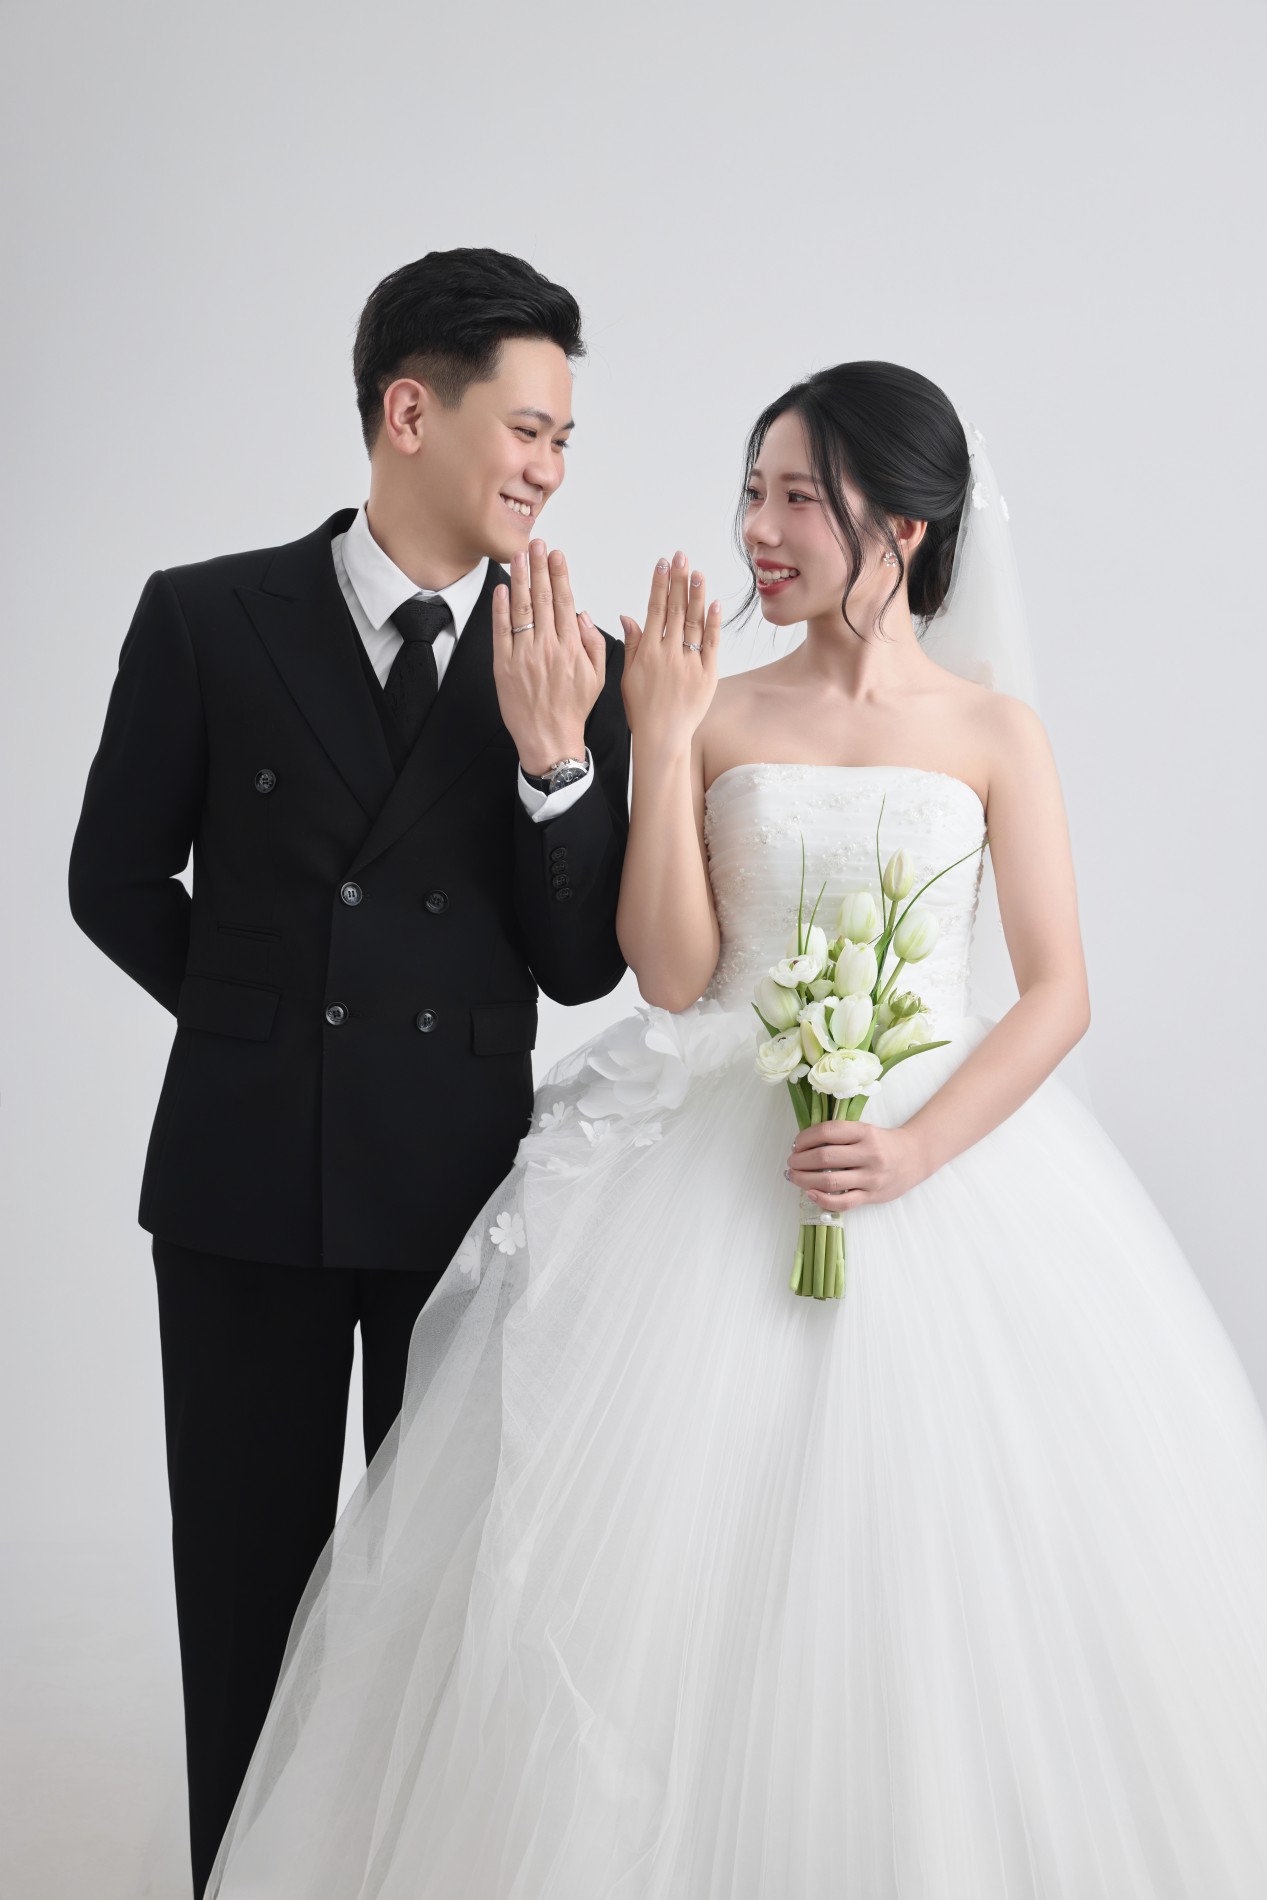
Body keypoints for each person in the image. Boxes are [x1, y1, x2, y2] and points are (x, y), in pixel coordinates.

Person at [205, 362, 1267, 1898]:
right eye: (752, 492)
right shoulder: (718, 708)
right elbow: (673, 973)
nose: (757, 530)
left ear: (905, 528)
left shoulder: (994, 732)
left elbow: (1057, 995)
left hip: (935, 1171)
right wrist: (668, 731)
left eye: (798, 499)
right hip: (715, 1165)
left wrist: (913, 1150)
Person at [67, 246, 631, 1900]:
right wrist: (264, 1026)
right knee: (244, 1595)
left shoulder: (570, 654)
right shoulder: (207, 615)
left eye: (564, 440)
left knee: (446, 1601)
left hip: (462, 1193)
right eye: (527, 428)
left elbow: (582, 964)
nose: (547, 467)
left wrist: (556, 761)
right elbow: (112, 880)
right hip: (246, 1185)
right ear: (409, 413)